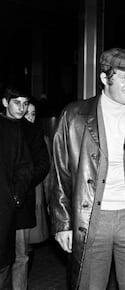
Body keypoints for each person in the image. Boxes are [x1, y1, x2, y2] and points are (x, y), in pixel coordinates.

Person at [50, 47, 125, 290]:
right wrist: (62, 223)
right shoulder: (74, 116)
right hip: (92, 218)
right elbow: (60, 173)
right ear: (105, 79)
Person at [2, 88, 50, 290]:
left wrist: (20, 187)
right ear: (5, 102)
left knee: (20, 255)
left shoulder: (32, 131)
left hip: (20, 202)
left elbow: (42, 165)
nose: (22, 108)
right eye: (17, 103)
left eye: (25, 104)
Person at [0, 109, 33, 289]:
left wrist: (14, 196)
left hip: (3, 211)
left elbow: (25, 166)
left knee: (5, 269)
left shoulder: (10, 129)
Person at [24, 101, 51, 272]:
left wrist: (49, 201)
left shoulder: (42, 139)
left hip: (35, 195)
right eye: (27, 113)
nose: (29, 117)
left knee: (27, 246)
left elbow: (48, 173)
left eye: (33, 114)